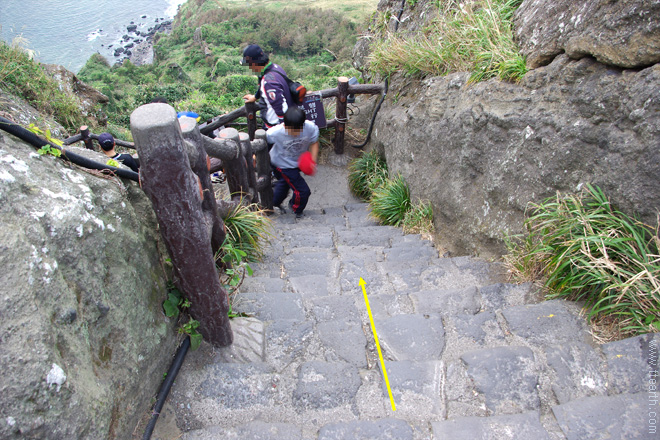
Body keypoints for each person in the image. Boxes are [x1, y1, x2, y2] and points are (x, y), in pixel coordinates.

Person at [267, 107, 319, 219]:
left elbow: (314, 142)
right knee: (303, 191)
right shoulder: (274, 133)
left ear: (303, 125)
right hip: (283, 164)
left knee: (285, 184)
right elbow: (264, 143)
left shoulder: (310, 128)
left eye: (298, 130)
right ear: (284, 125)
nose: (295, 133)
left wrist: (312, 161)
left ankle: (273, 203)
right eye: (291, 130)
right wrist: (255, 157)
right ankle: (295, 209)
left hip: (298, 163)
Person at [241, 44, 295, 129]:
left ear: (253, 64)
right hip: (278, 124)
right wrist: (255, 97)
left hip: (276, 127)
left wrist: (284, 132)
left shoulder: (269, 82)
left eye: (248, 65)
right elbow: (262, 87)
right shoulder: (275, 68)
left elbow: (280, 108)